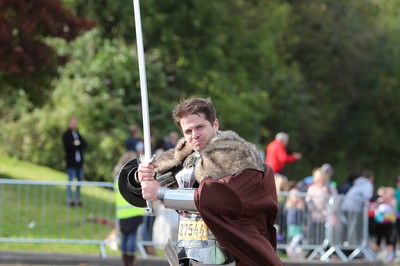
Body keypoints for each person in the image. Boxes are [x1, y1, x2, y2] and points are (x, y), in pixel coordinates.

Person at [123, 97, 282, 265]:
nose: (194, 135)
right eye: (188, 131)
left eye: (200, 127)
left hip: (225, 250)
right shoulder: (183, 157)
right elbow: (139, 185)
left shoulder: (237, 157)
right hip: (187, 250)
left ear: (215, 124)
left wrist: (161, 193)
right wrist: (141, 175)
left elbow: (225, 198)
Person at [114, 153, 144, 266]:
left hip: (122, 213)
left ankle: (125, 260)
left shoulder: (117, 178)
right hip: (134, 211)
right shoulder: (132, 177)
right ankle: (130, 261)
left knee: (125, 237)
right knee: (132, 236)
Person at [341, 170, 375, 247]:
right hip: (354, 209)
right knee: (354, 229)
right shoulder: (367, 184)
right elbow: (368, 196)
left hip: (345, 207)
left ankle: (349, 246)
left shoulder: (358, 184)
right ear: (371, 178)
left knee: (349, 228)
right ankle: (352, 247)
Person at [62, 117, 87, 207]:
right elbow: (69, 146)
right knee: (70, 181)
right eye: (72, 123)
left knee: (79, 182)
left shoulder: (78, 134)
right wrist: (76, 144)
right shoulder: (66, 135)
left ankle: (77, 200)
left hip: (79, 163)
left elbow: (84, 144)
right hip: (71, 163)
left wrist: (77, 144)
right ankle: (69, 199)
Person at [285, 188, 305, 258]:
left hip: (298, 225)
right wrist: (298, 209)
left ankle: (293, 249)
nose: (296, 198)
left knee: (299, 236)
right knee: (298, 236)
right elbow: (293, 215)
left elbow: (302, 216)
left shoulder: (299, 206)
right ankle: (291, 247)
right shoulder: (290, 205)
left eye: (297, 196)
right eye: (294, 196)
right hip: (292, 224)